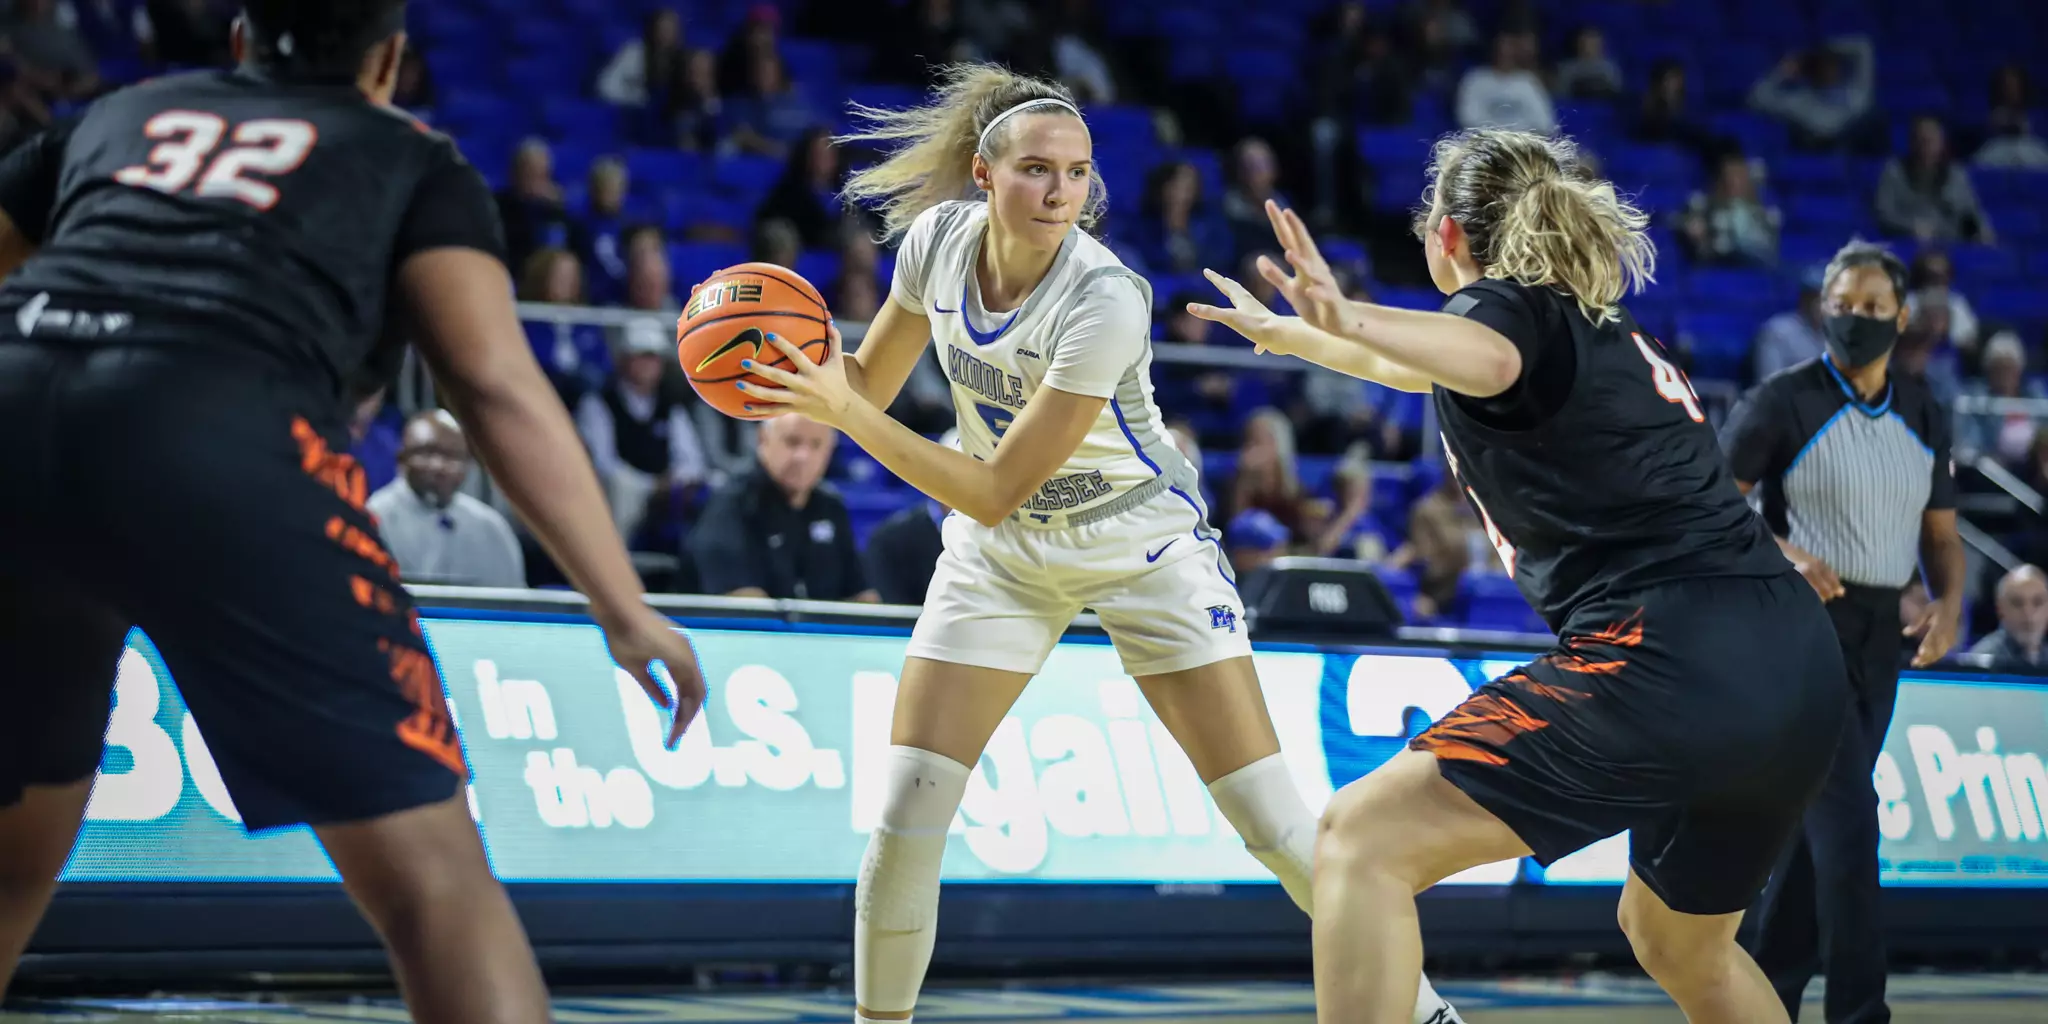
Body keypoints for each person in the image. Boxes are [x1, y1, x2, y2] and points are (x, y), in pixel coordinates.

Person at [0, 4, 705, 1020]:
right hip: (218, 428)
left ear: (243, 42)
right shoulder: (411, 157)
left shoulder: (120, 113)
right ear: (388, 61)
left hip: (17, 402)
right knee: (435, 887)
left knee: (13, 854)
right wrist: (622, 602)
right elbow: (492, 383)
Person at [737, 63, 1463, 1024]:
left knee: (1276, 827)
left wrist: (843, 412)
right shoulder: (932, 246)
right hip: (1003, 561)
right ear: (984, 177)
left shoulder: (1106, 295)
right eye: (1037, 170)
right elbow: (864, 391)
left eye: (1077, 174)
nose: (1060, 192)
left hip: (1139, 547)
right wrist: (787, 372)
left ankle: (1424, 1013)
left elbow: (994, 486)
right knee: (908, 814)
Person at [1190, 128, 1847, 1024]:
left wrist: (1346, 315)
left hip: (1673, 657)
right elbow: (1418, 366)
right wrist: (1308, 337)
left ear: (1446, 235)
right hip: (1795, 667)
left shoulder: (1509, 313)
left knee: (1361, 840)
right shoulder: (1591, 326)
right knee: (1680, 943)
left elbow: (1480, 355)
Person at [1721, 240, 1966, 1024]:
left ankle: (1765, 997)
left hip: (1879, 638)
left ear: (1902, 316)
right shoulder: (1780, 400)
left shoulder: (1926, 409)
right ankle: (1862, 1014)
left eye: (1870, 307)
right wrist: (1786, 553)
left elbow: (1942, 535)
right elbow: (1713, 508)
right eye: (1841, 303)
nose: (1854, 318)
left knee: (1811, 843)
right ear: (1822, 307)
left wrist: (1950, 602)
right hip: (1801, 634)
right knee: (1854, 828)